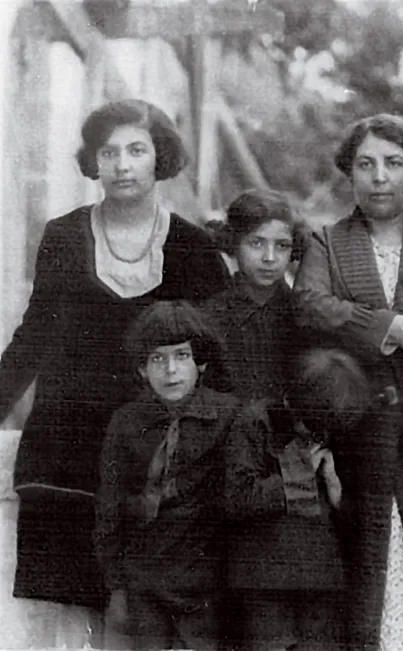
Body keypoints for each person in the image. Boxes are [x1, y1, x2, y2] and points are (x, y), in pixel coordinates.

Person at [0, 99, 228, 629]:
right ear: (93, 161)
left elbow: (217, 357)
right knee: (63, 615)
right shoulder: (63, 235)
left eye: (136, 150)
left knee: (143, 615)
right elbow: (34, 337)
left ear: (159, 158)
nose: (122, 164)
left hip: (151, 454)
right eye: (109, 152)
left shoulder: (193, 248)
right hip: (67, 447)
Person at [293, 113, 403, 651]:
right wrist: (393, 327)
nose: (379, 177)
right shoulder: (328, 242)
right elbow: (311, 306)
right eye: (365, 165)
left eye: (393, 163)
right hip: (354, 433)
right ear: (349, 174)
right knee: (363, 554)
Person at [94, 300, 240, 650]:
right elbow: (109, 509)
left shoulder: (229, 416)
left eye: (182, 356)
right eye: (157, 359)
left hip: (207, 583)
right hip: (145, 580)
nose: (171, 371)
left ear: (201, 362)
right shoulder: (126, 423)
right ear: (142, 369)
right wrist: (116, 587)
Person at [224, 348, 367, 651]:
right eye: (313, 428)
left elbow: (355, 520)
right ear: (294, 403)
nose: (319, 436)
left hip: (321, 579)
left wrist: (333, 486)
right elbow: (237, 499)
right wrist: (296, 474)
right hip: (266, 579)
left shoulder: (333, 419)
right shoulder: (254, 422)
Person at [204, 189, 305, 402]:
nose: (269, 258)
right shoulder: (208, 317)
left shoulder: (304, 315)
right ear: (234, 243)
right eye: (256, 243)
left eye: (282, 245)